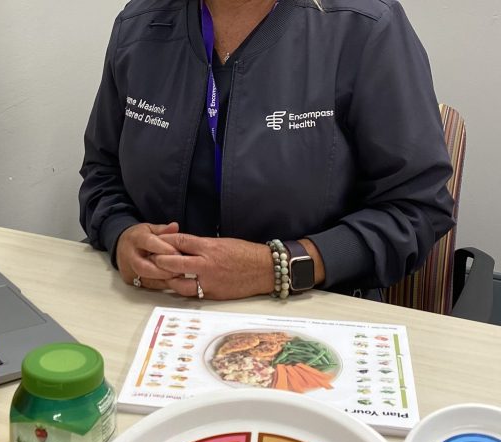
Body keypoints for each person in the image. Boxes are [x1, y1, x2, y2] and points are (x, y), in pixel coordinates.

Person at [78, 0, 455, 301]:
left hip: (312, 310)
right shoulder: (137, 26)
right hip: (158, 310)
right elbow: (102, 175)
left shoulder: (365, 27)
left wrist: (277, 266)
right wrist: (120, 234)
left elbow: (416, 209)